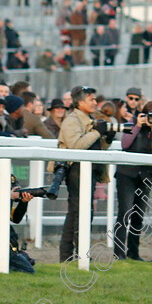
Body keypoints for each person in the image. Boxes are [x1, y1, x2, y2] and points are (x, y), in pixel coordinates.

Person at [58, 86, 112, 263]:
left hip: (90, 171)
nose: (95, 103)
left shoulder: (88, 119)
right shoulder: (72, 120)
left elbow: (96, 145)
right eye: (91, 100)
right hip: (77, 171)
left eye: (95, 99)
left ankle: (75, 254)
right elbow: (76, 146)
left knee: (81, 212)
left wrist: (107, 138)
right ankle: (71, 255)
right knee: (77, 212)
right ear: (80, 102)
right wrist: (97, 132)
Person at [113, 101, 152, 261]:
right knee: (125, 213)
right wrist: (137, 125)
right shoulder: (132, 124)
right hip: (126, 175)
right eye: (149, 114)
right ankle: (119, 253)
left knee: (138, 215)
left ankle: (133, 253)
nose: (151, 117)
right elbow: (125, 144)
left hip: (145, 176)